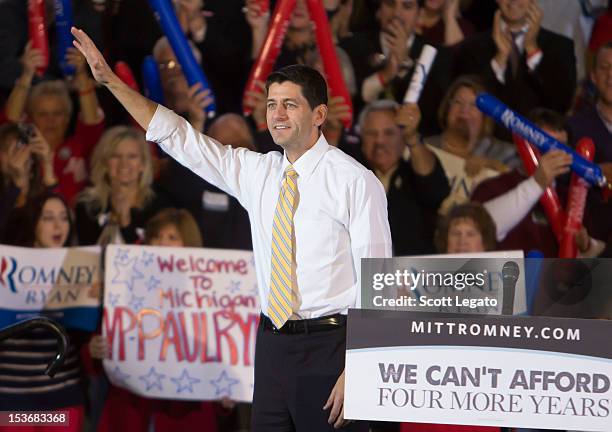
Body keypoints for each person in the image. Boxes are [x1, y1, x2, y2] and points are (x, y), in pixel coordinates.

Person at [71, 26, 391, 431]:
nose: (277, 114)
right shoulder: (258, 172)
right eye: (272, 104)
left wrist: (359, 366)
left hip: (332, 347)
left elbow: (378, 282)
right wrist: (112, 83)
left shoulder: (355, 181)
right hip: (272, 343)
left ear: (319, 114)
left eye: (290, 105)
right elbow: (179, 137)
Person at [89, 207, 218, 432]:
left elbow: (221, 360)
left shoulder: (210, 295)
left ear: (188, 244)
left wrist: (226, 398)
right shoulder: (126, 282)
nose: (162, 244)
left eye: (172, 237)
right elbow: (102, 343)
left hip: (184, 418)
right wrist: (96, 349)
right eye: (156, 237)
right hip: (129, 411)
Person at [0, 192, 87, 432]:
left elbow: (84, 337)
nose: (59, 225)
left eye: (63, 218)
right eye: (48, 218)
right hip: (12, 400)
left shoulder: (82, 269)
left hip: (62, 398)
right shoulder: (4, 266)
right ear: (32, 222)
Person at [455, 0, 576, 139]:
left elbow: (562, 104)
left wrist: (532, 50)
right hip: (487, 147)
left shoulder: (561, 46)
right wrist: (499, 60)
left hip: (539, 147)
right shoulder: (472, 47)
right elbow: (470, 102)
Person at [3, 44, 105, 205]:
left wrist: (81, 73)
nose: (50, 121)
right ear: (30, 119)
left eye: (57, 113)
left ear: (67, 117)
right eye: (42, 114)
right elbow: (9, 123)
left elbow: (92, 123)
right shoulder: (22, 153)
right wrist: (26, 75)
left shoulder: (81, 146)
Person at [339, 0, 453, 134]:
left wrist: (404, 65)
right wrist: (387, 74)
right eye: (390, 4)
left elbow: (433, 114)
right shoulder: (353, 46)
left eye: (407, 6)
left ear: (420, 14)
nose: (396, 13)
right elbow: (353, 101)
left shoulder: (438, 56)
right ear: (379, 10)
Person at [359, 99, 449, 255]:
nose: (380, 141)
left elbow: (435, 191)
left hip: (415, 273)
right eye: (372, 134)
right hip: (358, 272)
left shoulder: (413, 172)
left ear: (402, 138)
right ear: (361, 139)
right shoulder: (351, 175)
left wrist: (412, 138)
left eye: (389, 133)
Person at [155, 114, 254, 250]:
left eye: (242, 145)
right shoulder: (193, 180)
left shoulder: (264, 180)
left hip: (253, 266)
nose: (235, 154)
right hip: (199, 265)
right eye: (226, 148)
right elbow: (179, 174)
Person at [426, 75, 518, 214]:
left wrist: (491, 165)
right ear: (447, 108)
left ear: (485, 116)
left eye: (474, 105)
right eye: (458, 102)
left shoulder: (504, 153)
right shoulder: (427, 147)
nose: (464, 110)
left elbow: (520, 186)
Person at [75, 126, 160, 245]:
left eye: (132, 156)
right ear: (104, 162)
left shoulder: (159, 204)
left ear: (143, 164)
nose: (124, 163)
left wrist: (125, 221)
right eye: (116, 156)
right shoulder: (88, 206)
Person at [0, 122, 57, 242]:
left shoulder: (41, 195)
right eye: (6, 148)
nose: (15, 153)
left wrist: (48, 166)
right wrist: (17, 182)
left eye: (19, 147)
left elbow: (59, 221)